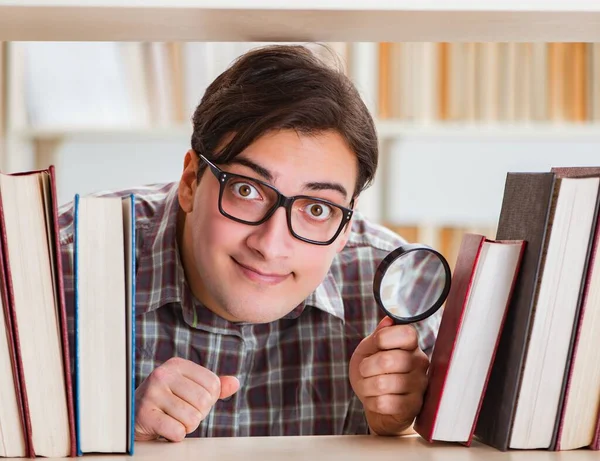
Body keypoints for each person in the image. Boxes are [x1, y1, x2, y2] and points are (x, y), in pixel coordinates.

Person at [58, 44, 440, 442]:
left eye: (317, 209)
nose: (271, 245)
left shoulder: (400, 288)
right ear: (191, 182)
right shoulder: (59, 263)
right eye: (246, 189)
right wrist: (110, 433)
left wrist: (403, 431)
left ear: (347, 223)